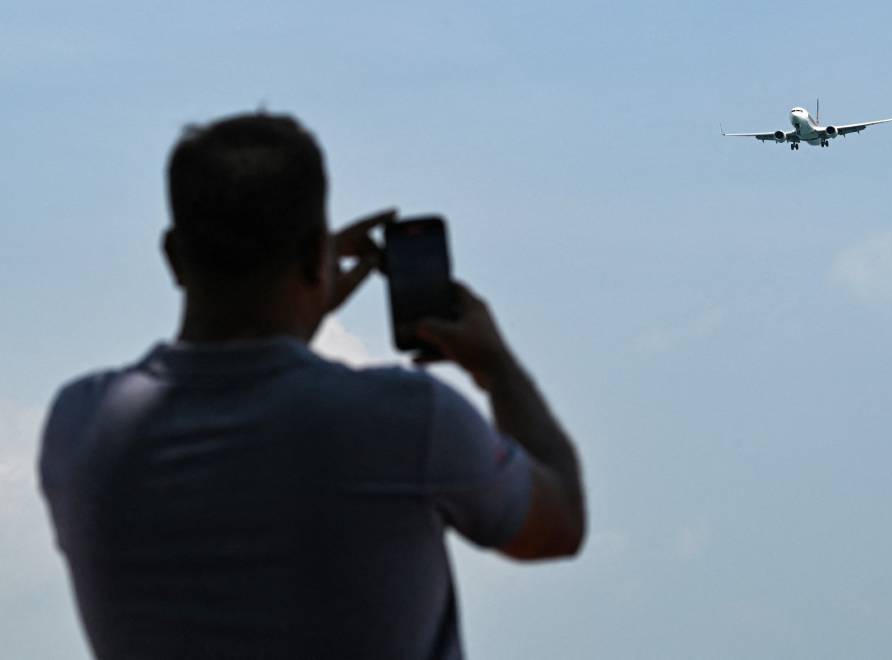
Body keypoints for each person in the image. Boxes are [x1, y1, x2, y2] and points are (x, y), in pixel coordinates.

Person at [39, 112, 586, 659]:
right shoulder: (407, 421)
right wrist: (497, 368)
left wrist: (298, 299)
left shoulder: (81, 425)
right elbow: (558, 523)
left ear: (174, 256)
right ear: (312, 257)